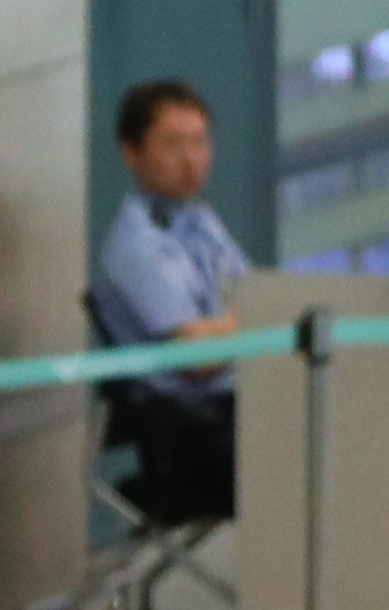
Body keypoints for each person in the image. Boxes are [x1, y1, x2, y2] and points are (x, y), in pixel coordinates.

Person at [92, 79, 249, 521]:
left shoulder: (201, 221)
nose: (192, 160)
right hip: (193, 429)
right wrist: (237, 326)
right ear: (132, 153)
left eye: (200, 143)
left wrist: (227, 328)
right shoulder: (137, 244)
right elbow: (198, 356)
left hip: (243, 402)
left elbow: (255, 308)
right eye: (173, 145)